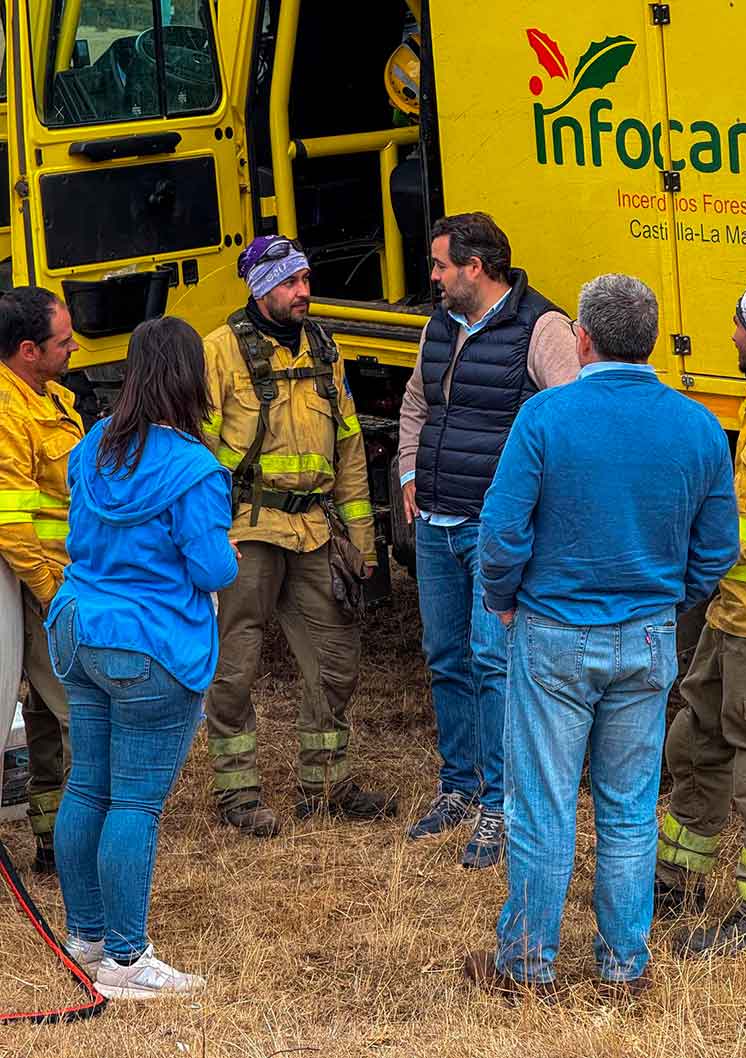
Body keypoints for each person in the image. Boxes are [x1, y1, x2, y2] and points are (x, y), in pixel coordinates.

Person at [465, 274, 738, 997]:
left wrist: (502, 598)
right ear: (647, 339)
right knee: (628, 808)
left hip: (553, 631)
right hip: (646, 638)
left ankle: (526, 967)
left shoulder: (546, 418)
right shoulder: (697, 425)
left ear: (582, 339)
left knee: (544, 806)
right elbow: (718, 547)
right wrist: (668, 600)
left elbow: (501, 530)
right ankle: (625, 969)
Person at [46, 317, 238, 999]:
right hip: (147, 646)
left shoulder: (94, 442)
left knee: (87, 785)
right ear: (192, 377)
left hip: (76, 628)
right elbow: (213, 570)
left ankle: (85, 939)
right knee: (134, 803)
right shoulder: (195, 469)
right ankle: (126, 963)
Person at [398, 212, 579, 868]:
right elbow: (417, 403)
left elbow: (570, 421)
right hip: (437, 522)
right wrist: (411, 471)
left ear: (476, 267)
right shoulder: (439, 324)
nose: (436, 279)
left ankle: (501, 807)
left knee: (493, 661)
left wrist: (527, 512)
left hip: (494, 529)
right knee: (445, 656)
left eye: (442, 267)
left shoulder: (542, 328)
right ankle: (458, 788)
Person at [202, 234, 395, 835]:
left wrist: (361, 539)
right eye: (290, 283)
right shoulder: (219, 351)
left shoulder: (323, 347)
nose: (303, 292)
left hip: (315, 529)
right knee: (235, 663)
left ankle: (327, 784)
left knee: (336, 658)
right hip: (247, 529)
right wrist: (206, 536)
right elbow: (197, 454)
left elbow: (349, 445)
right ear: (261, 289)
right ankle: (237, 794)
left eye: (306, 279)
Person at [656, 275, 746, 959]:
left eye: (743, 326)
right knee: (695, 739)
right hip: (732, 615)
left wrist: (739, 543)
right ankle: (676, 880)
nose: (734, 336)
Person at [0, 287, 81, 873]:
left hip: (61, 577)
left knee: (50, 718)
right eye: (63, 340)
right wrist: (52, 592)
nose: (75, 345)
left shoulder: (51, 397)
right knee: (82, 711)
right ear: (28, 350)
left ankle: (53, 839)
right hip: (35, 586)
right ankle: (86, 837)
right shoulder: (6, 412)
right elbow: (11, 519)